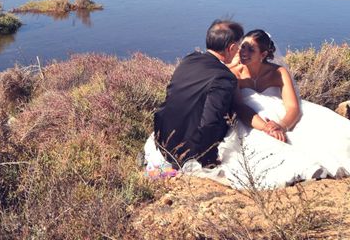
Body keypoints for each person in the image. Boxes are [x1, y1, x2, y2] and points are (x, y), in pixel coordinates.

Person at [219, 29, 350, 189]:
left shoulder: (278, 72)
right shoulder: (234, 74)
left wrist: (282, 125)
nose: (244, 52)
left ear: (263, 54)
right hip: (252, 120)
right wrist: (266, 127)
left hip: (282, 117)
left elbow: (293, 106)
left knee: (331, 133)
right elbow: (239, 106)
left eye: (251, 49)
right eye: (243, 47)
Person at [149, 19, 244, 168]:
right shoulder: (224, 78)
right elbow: (210, 122)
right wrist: (208, 158)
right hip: (189, 150)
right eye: (239, 45)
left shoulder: (190, 59)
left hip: (164, 137)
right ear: (231, 47)